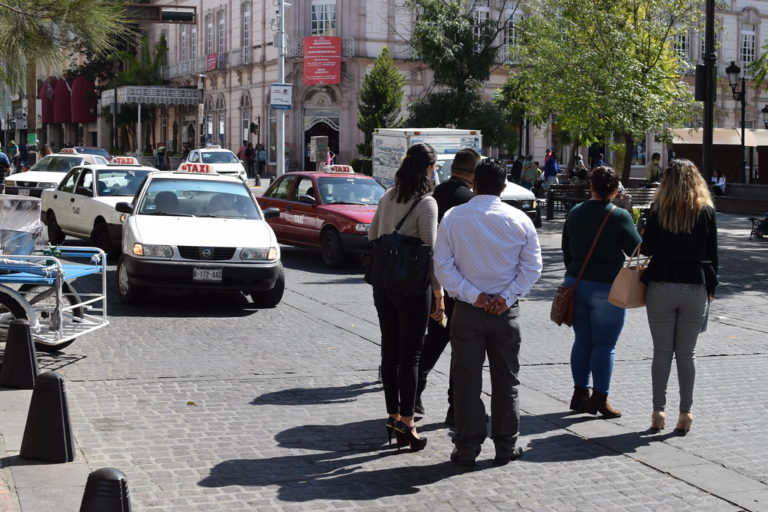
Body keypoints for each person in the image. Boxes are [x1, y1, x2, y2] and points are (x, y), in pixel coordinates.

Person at [434, 158, 542, 466]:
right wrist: (505, 298)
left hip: (468, 311)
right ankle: (506, 446)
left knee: (466, 381)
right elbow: (532, 267)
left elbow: (442, 267)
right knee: (507, 381)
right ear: (504, 187)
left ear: (474, 184)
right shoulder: (519, 219)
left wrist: (475, 296)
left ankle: (467, 447)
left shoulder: (454, 217)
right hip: (505, 313)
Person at [368, 143, 442, 453]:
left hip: (384, 284)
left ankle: (393, 416)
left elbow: (372, 235)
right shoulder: (426, 203)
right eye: (434, 167)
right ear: (427, 169)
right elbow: (431, 253)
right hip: (412, 287)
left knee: (389, 349)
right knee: (411, 356)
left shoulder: (387, 196)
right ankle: (408, 422)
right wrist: (439, 294)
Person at [641, 159, 718, 435]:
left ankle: (658, 412)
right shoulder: (706, 211)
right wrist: (711, 289)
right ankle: (685, 412)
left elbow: (647, 249)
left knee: (661, 353)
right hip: (695, 286)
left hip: (661, 285)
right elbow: (713, 255)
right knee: (687, 354)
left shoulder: (657, 210)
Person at [561, 166, 641, 418]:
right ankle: (600, 399)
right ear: (616, 190)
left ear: (591, 187)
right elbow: (638, 252)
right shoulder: (619, 216)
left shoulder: (575, 212)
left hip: (576, 283)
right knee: (605, 344)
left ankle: (579, 395)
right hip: (607, 287)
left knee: (582, 340)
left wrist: (575, 271)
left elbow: (566, 250)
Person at [415, 147, 481, 424]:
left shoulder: (433, 194)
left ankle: (414, 390)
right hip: (459, 284)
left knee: (434, 339)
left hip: (433, 281)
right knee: (462, 349)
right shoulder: (469, 201)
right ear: (474, 174)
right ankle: (455, 407)